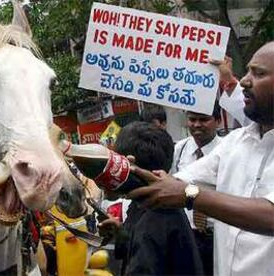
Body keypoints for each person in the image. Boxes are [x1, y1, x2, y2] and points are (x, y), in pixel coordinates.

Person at [127, 41, 274, 276]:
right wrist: (122, 174)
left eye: (258, 73)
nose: (245, 80)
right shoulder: (235, 143)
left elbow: (270, 215)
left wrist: (189, 195)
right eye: (247, 71)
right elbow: (175, 182)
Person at [99, 121, 203, 275]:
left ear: (128, 163)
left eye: (116, 160)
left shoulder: (152, 220)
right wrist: (123, 234)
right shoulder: (154, 205)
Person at [171, 102, 222, 275]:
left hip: (217, 236)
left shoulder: (229, 149)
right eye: (192, 119)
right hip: (186, 234)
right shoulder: (179, 149)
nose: (197, 125)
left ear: (218, 121)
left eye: (203, 119)